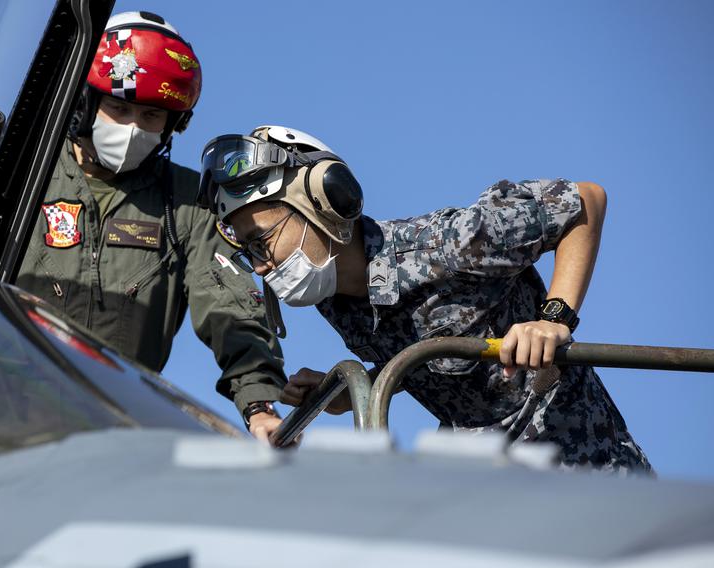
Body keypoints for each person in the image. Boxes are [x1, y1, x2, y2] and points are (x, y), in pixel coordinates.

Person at [0, 12, 286, 439]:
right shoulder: (15, 173)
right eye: (119, 107)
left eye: (151, 116)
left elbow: (230, 309)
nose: (133, 128)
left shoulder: (188, 204)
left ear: (173, 124)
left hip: (104, 438)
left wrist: (258, 405)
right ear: (85, 103)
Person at [197, 125, 652, 473]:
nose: (259, 266)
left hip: (590, 476)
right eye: (248, 252)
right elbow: (429, 356)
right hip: (494, 492)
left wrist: (555, 318)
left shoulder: (448, 246)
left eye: (262, 241)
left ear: (323, 203)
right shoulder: (335, 297)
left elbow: (584, 202)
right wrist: (351, 391)